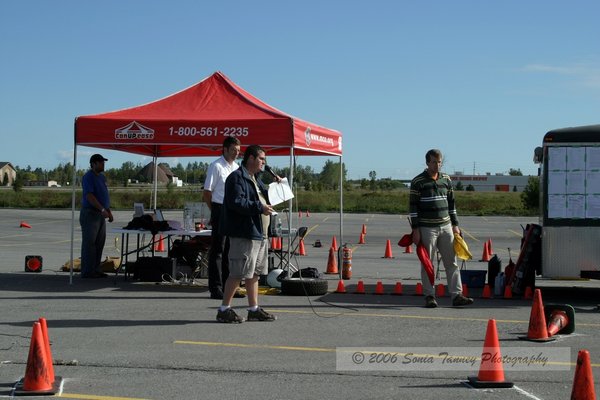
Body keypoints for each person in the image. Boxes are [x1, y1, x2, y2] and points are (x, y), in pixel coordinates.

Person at [216, 145, 277, 323]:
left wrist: (278, 187)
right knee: (238, 273)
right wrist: (260, 207)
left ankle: (253, 308)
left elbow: (266, 197)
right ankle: (224, 309)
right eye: (261, 159)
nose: (264, 163)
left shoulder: (256, 179)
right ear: (250, 158)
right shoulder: (236, 178)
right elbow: (237, 202)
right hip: (244, 233)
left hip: (259, 233)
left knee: (254, 274)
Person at [409, 149, 473, 308]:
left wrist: (455, 225)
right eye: (433, 162)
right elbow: (413, 207)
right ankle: (429, 295)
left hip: (446, 227)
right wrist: (416, 230)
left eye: (439, 162)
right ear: (427, 163)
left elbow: (452, 204)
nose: (437, 165)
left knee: (451, 262)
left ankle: (456, 295)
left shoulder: (446, 180)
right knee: (427, 263)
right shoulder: (418, 182)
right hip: (426, 228)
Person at [203, 137, 243, 299]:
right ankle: (216, 287)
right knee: (218, 250)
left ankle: (229, 287)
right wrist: (215, 212)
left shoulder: (237, 167)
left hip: (233, 210)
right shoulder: (216, 166)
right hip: (220, 208)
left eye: (238, 151)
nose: (236, 153)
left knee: (230, 251)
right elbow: (207, 193)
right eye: (233, 150)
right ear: (225, 149)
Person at [80, 153, 113, 278]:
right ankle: (88, 271)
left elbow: (104, 196)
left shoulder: (102, 178)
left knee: (100, 243)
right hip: (90, 213)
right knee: (90, 243)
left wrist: (108, 211)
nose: (103, 164)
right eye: (100, 162)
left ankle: (96, 268)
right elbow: (89, 196)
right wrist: (102, 209)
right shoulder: (88, 177)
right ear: (93, 164)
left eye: (103, 162)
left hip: (101, 214)